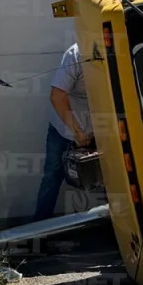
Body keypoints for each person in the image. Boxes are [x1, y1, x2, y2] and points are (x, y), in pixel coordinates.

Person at [33, 42, 93, 221]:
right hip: (66, 131)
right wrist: (77, 132)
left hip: (101, 131)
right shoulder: (76, 54)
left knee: (113, 179)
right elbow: (57, 96)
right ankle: (39, 231)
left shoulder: (118, 51)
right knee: (52, 177)